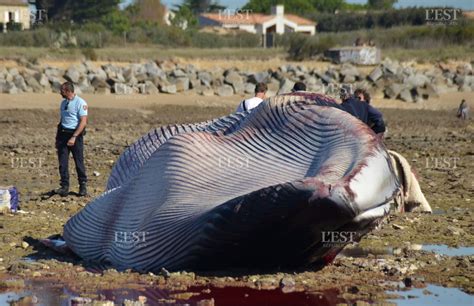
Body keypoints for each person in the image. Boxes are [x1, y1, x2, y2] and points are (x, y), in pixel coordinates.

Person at [55, 82, 88, 197]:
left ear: (68, 91)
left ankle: (82, 186)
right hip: (63, 135)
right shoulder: (63, 103)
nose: (60, 92)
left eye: (62, 91)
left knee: (79, 162)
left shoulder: (80, 103)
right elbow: (63, 119)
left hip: (75, 135)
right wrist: (58, 138)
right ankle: (64, 186)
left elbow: (83, 122)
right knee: (63, 163)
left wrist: (74, 137)